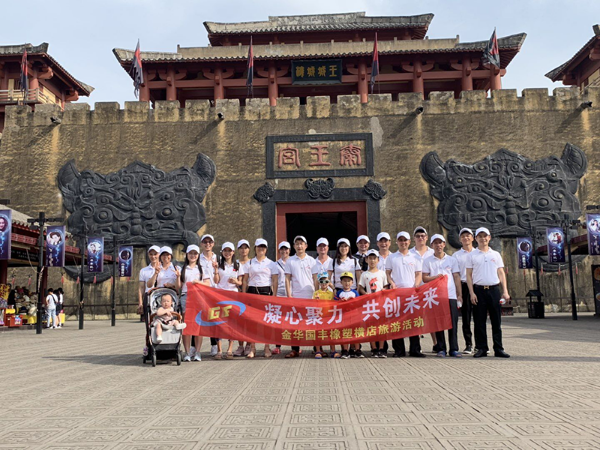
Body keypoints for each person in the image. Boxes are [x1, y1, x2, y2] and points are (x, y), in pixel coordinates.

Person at [466, 227, 510, 358]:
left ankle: (498, 348)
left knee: (496, 321)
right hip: (479, 290)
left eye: (485, 236)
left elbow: (501, 273)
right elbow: (468, 275)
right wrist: (471, 292)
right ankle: (481, 348)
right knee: (479, 322)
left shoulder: (495, 254)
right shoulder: (472, 255)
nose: (483, 238)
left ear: (489, 238)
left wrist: (505, 291)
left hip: (494, 290)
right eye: (480, 236)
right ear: (476, 238)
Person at [386, 231, 425, 358]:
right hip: (396, 294)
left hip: (412, 294)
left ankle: (415, 350)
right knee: (397, 323)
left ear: (409, 242)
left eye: (405, 240)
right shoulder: (392, 257)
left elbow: (418, 274)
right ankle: (399, 350)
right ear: (397, 242)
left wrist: (416, 285)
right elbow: (388, 273)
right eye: (400, 240)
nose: (403, 242)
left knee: (414, 322)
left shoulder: (415, 257)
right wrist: (391, 283)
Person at [422, 234, 462, 358]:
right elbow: (424, 278)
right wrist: (436, 277)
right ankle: (441, 348)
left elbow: (456, 277)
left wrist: (459, 294)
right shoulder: (428, 261)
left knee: (453, 323)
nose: (438, 245)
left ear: (444, 244)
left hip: (450, 295)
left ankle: (454, 348)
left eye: (440, 243)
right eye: (436, 243)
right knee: (438, 322)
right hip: (436, 296)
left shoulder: (451, 260)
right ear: (432, 245)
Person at [242, 238, 278, 358]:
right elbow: (245, 280)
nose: (261, 249)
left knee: (266, 322)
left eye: (263, 247)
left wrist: (274, 296)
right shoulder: (250, 263)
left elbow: (274, 280)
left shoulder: (271, 263)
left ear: (266, 249)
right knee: (253, 322)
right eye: (258, 247)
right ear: (255, 248)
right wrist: (243, 294)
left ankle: (266, 347)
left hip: (266, 292)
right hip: (252, 291)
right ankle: (253, 348)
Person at [177, 244, 211, 362]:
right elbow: (179, 286)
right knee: (186, 325)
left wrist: (198, 283)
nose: (193, 256)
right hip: (186, 297)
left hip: (198, 297)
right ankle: (187, 352)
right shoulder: (183, 269)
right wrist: (177, 277)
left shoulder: (201, 269)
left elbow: (208, 284)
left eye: (195, 254)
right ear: (187, 254)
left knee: (198, 324)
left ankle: (197, 352)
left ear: (198, 255)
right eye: (191, 253)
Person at [285, 235, 316, 358]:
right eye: (297, 243)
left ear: (306, 246)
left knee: (313, 323)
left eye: (301, 243)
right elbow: (287, 279)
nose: (299, 246)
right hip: (296, 296)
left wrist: (316, 294)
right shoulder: (290, 261)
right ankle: (295, 349)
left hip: (310, 296)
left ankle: (316, 347)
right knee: (295, 324)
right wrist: (289, 295)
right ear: (294, 246)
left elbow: (315, 279)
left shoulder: (312, 261)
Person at [214, 242, 245, 359]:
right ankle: (219, 350)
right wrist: (216, 270)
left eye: (229, 251)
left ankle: (230, 349)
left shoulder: (237, 265)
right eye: (225, 250)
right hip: (220, 297)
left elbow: (241, 282)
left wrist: (236, 282)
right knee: (219, 323)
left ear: (233, 252)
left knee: (231, 323)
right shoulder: (218, 264)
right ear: (222, 252)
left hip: (233, 297)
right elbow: (216, 281)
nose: (227, 253)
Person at [410, 226, 438, 352]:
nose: (420, 238)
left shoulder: (433, 252)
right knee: (416, 319)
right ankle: (417, 346)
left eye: (423, 236)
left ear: (426, 238)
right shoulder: (409, 253)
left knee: (432, 318)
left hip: (430, 290)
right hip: (414, 290)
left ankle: (436, 343)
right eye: (418, 236)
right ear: (414, 238)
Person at [358, 249, 388, 358]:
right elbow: (360, 287)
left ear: (378, 260)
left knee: (381, 327)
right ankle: (374, 348)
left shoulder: (382, 273)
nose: (372, 261)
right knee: (371, 327)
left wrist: (384, 292)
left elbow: (385, 286)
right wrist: (365, 293)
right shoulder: (364, 274)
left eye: (374, 258)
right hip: (369, 304)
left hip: (380, 303)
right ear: (366, 260)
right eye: (370, 258)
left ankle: (381, 348)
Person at [453, 228, 475, 354]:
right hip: (464, 286)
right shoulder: (456, 256)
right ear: (460, 239)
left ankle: (481, 344)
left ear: (472, 238)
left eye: (468, 236)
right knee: (466, 317)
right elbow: (456, 276)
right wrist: (459, 294)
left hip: (477, 286)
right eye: (463, 236)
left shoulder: (478, 253)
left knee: (478, 316)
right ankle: (468, 344)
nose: (466, 238)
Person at [199, 234, 220, 356]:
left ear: (213, 243)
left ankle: (214, 345)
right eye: (205, 242)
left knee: (213, 319)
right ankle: (194, 347)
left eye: (210, 242)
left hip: (214, 292)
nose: (207, 244)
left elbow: (218, 278)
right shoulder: (197, 258)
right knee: (199, 319)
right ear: (202, 244)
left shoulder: (218, 258)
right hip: (201, 293)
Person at [312, 271, 338, 358]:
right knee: (318, 333)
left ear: (329, 283)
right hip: (319, 316)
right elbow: (312, 305)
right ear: (319, 283)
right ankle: (318, 351)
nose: (324, 284)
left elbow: (336, 303)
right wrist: (317, 300)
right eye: (322, 281)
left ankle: (333, 350)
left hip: (329, 316)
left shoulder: (331, 293)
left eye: (326, 282)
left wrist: (333, 287)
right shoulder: (316, 293)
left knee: (332, 333)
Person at [336, 272, 361, 359]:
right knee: (345, 333)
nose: (347, 283)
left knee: (355, 332)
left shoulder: (354, 292)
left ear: (352, 282)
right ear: (341, 282)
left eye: (348, 281)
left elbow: (359, 303)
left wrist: (352, 301)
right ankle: (345, 350)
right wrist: (340, 301)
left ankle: (357, 350)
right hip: (343, 317)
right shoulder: (339, 293)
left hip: (353, 317)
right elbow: (334, 304)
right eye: (344, 281)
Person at [233, 239, 252, 357]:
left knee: (249, 321)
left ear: (249, 249)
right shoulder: (234, 263)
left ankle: (249, 345)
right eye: (241, 248)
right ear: (238, 250)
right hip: (237, 294)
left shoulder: (252, 262)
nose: (243, 250)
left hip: (251, 294)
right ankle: (240, 345)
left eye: (246, 247)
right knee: (239, 321)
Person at [272, 241, 291, 355]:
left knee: (292, 320)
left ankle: (296, 346)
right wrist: (274, 296)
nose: (284, 251)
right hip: (280, 294)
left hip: (291, 294)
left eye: (286, 249)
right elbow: (274, 281)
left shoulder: (293, 262)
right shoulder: (275, 264)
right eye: (282, 249)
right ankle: (278, 345)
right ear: (279, 251)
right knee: (279, 322)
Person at [138, 245, 161, 314]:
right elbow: (141, 287)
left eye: (155, 254)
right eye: (151, 254)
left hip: (161, 296)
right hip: (149, 297)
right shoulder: (143, 270)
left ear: (159, 254)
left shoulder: (164, 268)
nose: (153, 256)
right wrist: (140, 303)